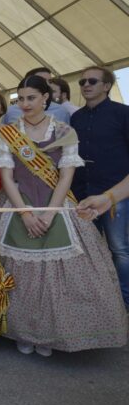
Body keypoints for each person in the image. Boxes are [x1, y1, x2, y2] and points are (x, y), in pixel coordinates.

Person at [0, 75, 127, 355]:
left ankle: (51, 334)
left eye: (32, 97)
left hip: (56, 204)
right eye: (21, 99)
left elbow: (66, 175)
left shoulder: (65, 130)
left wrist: (52, 213)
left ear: (46, 98)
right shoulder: (9, 132)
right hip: (19, 203)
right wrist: (26, 214)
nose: (26, 104)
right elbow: (7, 177)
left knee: (59, 274)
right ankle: (23, 331)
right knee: (22, 275)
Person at [70, 66, 129, 310]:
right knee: (85, 248)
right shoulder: (76, 118)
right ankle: (94, 300)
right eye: (82, 81)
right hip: (83, 192)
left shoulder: (123, 114)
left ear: (106, 86)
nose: (86, 85)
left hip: (116, 193)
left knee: (120, 249)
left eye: (92, 81)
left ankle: (124, 301)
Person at [4, 68, 70, 124]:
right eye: (42, 80)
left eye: (49, 81)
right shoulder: (11, 111)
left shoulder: (61, 111)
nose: (48, 85)